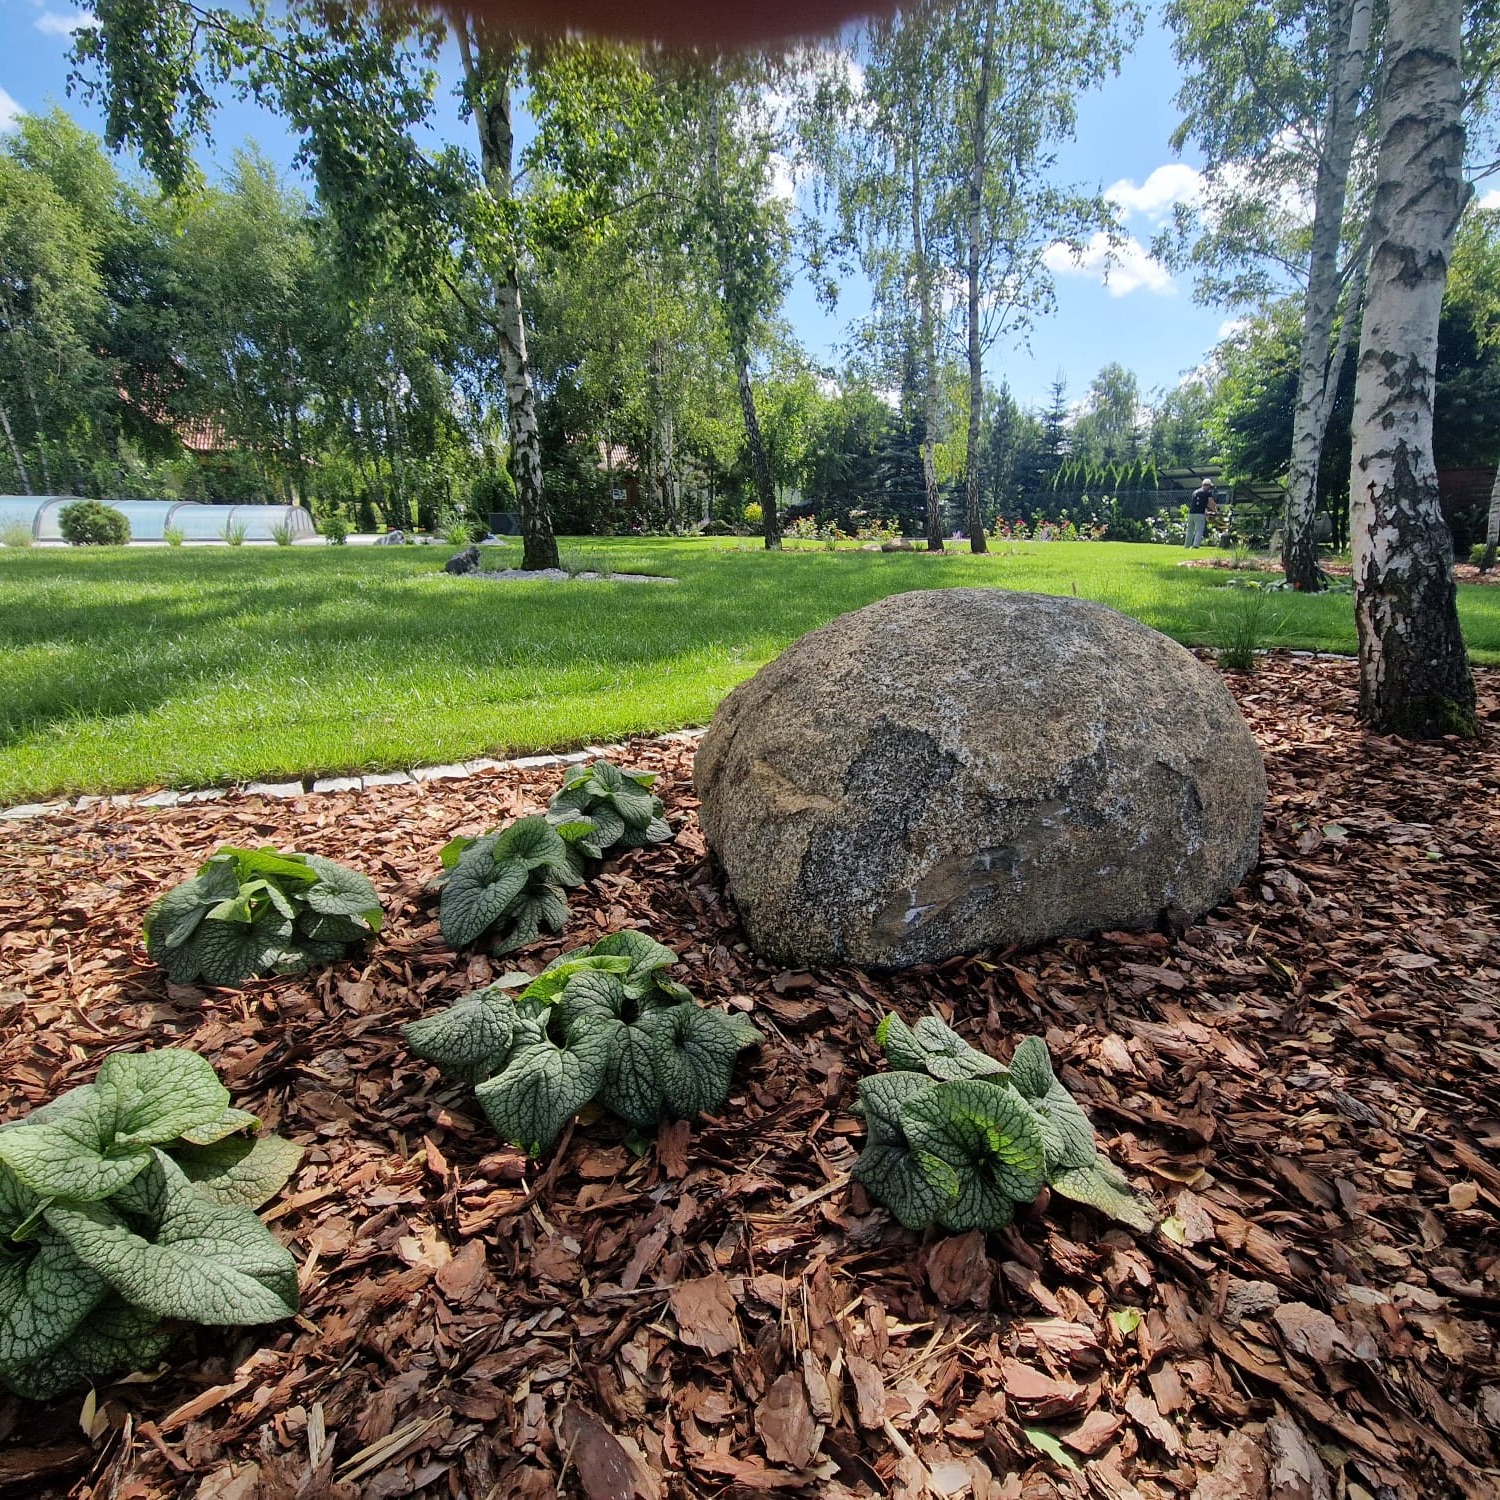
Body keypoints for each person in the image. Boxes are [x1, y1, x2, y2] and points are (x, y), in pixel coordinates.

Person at [1186, 479, 1217, 548]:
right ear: (1208, 486)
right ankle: (1195, 545)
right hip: (1199, 514)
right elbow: (1211, 503)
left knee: (1190, 530)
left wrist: (1206, 512)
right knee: (1199, 530)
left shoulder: (1195, 492)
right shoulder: (1208, 493)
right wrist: (1215, 512)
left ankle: (1187, 545)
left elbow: (1197, 504)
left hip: (1191, 513)